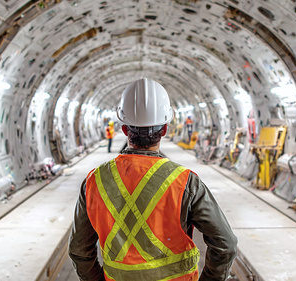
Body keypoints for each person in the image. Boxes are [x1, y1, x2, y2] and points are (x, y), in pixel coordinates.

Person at [69, 78, 237, 280]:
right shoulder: (185, 181)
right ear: (165, 130)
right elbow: (225, 245)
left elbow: (79, 251)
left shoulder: (94, 181)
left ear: (124, 130)